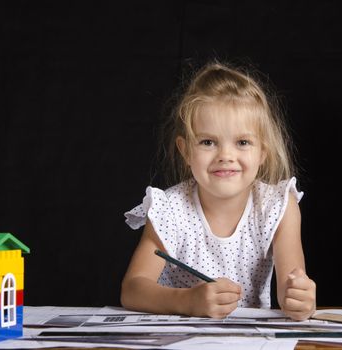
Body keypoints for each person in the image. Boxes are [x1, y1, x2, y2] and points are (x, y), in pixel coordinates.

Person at [121, 61, 316, 320]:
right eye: (208, 142)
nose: (226, 155)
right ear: (186, 151)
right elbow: (132, 290)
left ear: (263, 153)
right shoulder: (169, 209)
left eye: (243, 142)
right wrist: (188, 301)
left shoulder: (278, 206)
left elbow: (289, 289)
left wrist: (299, 298)